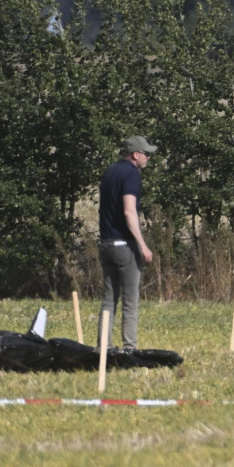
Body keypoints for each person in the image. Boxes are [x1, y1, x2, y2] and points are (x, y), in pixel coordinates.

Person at [96, 135, 157, 350]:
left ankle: (104, 348)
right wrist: (143, 245)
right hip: (124, 245)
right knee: (130, 302)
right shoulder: (131, 174)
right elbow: (129, 211)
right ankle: (130, 349)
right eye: (146, 154)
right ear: (135, 154)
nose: (148, 158)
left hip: (106, 243)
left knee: (109, 300)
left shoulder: (110, 171)